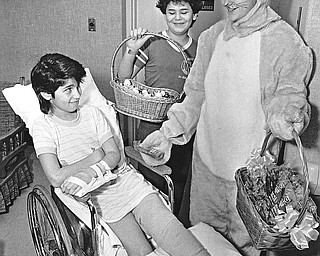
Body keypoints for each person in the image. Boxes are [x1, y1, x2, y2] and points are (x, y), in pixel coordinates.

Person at [139, 0, 314, 255]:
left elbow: (290, 94)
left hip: (249, 183)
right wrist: (168, 133)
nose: (228, 1)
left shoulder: (283, 40)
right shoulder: (212, 37)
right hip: (206, 171)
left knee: (246, 249)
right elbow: (196, 95)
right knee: (201, 243)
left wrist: (288, 113)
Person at [30, 53, 210, 256]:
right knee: (142, 251)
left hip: (125, 181)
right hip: (100, 198)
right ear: (47, 94)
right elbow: (55, 177)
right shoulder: (43, 127)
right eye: (68, 90)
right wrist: (96, 157)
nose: (77, 94)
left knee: (175, 234)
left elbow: (114, 154)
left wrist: (91, 170)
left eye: (78, 86)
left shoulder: (92, 114)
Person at [117, 0, 203, 223]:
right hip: (151, 126)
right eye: (171, 12)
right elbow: (124, 77)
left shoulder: (200, 49)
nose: (177, 17)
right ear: (164, 14)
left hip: (184, 130)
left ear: (194, 15)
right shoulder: (153, 43)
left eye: (184, 12)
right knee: (150, 181)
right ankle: (151, 227)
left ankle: (174, 227)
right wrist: (131, 50)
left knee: (180, 180)